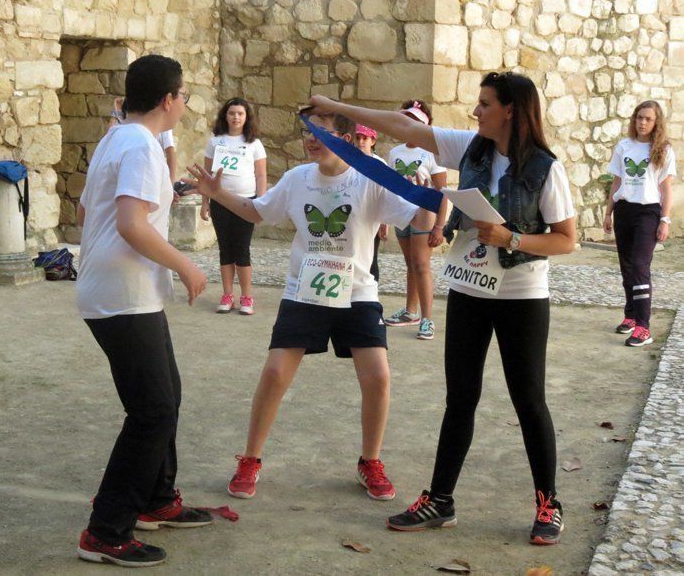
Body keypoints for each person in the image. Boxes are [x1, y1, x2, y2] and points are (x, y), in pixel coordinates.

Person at [308, 71, 577, 546]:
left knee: (529, 400)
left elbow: (566, 240)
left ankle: (548, 503)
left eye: (485, 104)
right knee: (460, 398)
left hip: (522, 297)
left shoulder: (546, 168)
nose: (476, 112)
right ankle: (441, 500)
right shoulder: (470, 147)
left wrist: (511, 238)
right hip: (471, 291)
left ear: (510, 110)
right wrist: (338, 108)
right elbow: (404, 127)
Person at [187, 109, 426, 503]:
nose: (310, 139)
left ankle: (370, 461)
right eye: (307, 132)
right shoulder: (298, 179)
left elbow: (414, 215)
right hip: (304, 289)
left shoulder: (371, 174)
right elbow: (258, 211)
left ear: (346, 139)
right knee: (276, 372)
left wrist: (427, 198)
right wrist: (217, 193)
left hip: (358, 291)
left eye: (321, 132)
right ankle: (250, 459)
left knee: (378, 377)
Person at [75, 54, 212, 568]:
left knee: (166, 397)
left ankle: (157, 499)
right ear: (167, 100)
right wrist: (186, 266)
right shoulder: (139, 144)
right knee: (152, 410)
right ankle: (106, 530)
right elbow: (131, 223)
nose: (184, 105)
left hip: (124, 291)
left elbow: (90, 210)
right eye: (183, 97)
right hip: (121, 295)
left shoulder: (118, 138)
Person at [603, 100, 676, 347]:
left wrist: (664, 219)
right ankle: (631, 316)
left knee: (639, 266)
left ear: (656, 123)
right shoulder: (624, 146)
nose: (642, 122)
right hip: (624, 210)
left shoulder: (663, 149)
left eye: (648, 119)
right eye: (639, 117)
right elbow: (616, 181)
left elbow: (666, 188)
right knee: (626, 267)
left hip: (648, 212)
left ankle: (644, 327)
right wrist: (608, 212)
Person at [383, 101, 448, 340]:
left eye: (415, 120)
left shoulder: (432, 153)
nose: (410, 123)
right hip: (401, 213)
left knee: (421, 265)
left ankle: (428, 319)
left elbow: (442, 192)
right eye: (406, 118)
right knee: (410, 264)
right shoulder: (395, 152)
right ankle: (411, 312)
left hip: (423, 215)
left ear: (425, 124)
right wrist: (384, 220)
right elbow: (387, 187)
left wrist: (440, 226)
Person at [202, 98, 267, 315]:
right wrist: (205, 202)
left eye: (240, 113)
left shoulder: (254, 144)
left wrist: (261, 203)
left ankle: (246, 297)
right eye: (232, 113)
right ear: (225, 116)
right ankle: (227, 294)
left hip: (245, 202)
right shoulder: (215, 141)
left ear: (246, 117)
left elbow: (260, 174)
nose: (236, 117)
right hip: (220, 201)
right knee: (225, 249)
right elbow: (206, 175)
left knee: (242, 250)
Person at [353, 124, 389, 282]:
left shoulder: (380, 164)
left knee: (371, 255)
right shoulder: (347, 159)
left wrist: (384, 221)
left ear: (373, 141)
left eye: (365, 138)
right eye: (358, 137)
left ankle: (371, 292)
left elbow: (385, 195)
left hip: (371, 216)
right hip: (352, 214)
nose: (361, 141)